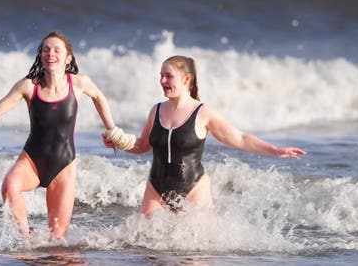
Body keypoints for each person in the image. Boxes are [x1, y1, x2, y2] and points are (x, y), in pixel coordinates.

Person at [0, 31, 128, 238]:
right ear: (41, 55)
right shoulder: (29, 86)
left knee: (58, 243)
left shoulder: (78, 83)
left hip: (64, 167)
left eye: (56, 50)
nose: (50, 54)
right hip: (32, 160)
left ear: (68, 58)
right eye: (46, 49)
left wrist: (112, 130)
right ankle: (26, 237)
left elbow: (99, 97)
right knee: (9, 186)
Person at [104, 55, 306, 217]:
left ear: (186, 79)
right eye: (161, 76)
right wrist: (119, 142)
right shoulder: (155, 110)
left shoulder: (203, 113)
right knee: (146, 248)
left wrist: (275, 150)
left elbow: (240, 138)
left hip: (193, 188)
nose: (162, 81)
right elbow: (142, 146)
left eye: (168, 76)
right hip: (156, 187)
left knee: (195, 255)